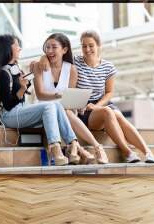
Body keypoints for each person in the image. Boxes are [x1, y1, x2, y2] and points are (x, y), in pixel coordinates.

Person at [37, 30, 154, 163]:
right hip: (83, 107)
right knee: (109, 113)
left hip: (101, 104)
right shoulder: (75, 62)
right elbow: (55, 56)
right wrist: (43, 58)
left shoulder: (108, 67)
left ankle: (147, 152)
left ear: (99, 46)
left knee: (117, 116)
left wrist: (96, 106)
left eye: (91, 45)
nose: (87, 49)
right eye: (84, 46)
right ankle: (128, 152)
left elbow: (110, 92)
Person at [0, 34, 83, 166]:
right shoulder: (3, 72)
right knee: (49, 106)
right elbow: (8, 105)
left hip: (20, 110)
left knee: (56, 106)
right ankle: (55, 149)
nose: (19, 48)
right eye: (16, 45)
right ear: (8, 48)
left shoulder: (17, 69)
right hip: (8, 115)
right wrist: (22, 89)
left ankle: (72, 143)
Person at [33, 33, 108, 164]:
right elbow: (40, 94)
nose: (50, 51)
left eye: (54, 47)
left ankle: (78, 149)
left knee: (66, 111)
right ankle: (89, 148)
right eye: (47, 47)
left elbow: (69, 99)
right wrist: (58, 96)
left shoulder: (72, 69)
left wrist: (77, 103)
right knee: (64, 112)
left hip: (66, 109)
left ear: (65, 50)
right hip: (45, 111)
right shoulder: (39, 66)